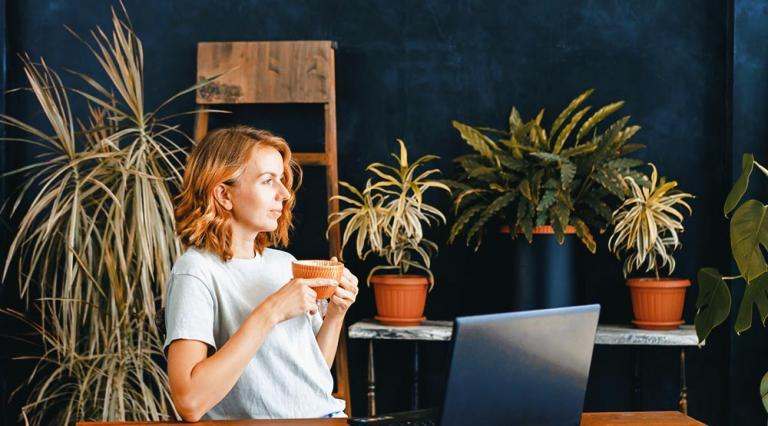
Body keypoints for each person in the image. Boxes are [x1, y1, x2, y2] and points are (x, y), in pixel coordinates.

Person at [164, 125, 358, 421]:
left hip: (326, 417)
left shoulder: (285, 263)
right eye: (268, 181)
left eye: (282, 180)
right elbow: (189, 401)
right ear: (224, 195)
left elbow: (310, 374)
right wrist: (270, 312)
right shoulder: (196, 271)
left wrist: (335, 313)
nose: (285, 194)